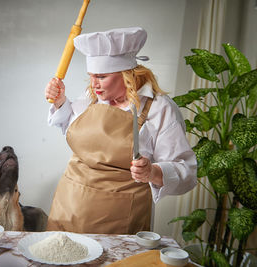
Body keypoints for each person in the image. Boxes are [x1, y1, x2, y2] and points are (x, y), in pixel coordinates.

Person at [44, 27, 197, 234]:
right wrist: (61, 102)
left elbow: (186, 171)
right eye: (91, 76)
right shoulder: (91, 97)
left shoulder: (159, 107)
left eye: (102, 76)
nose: (94, 84)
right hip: (69, 205)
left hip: (120, 218)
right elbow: (73, 131)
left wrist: (153, 172)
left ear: (126, 74)